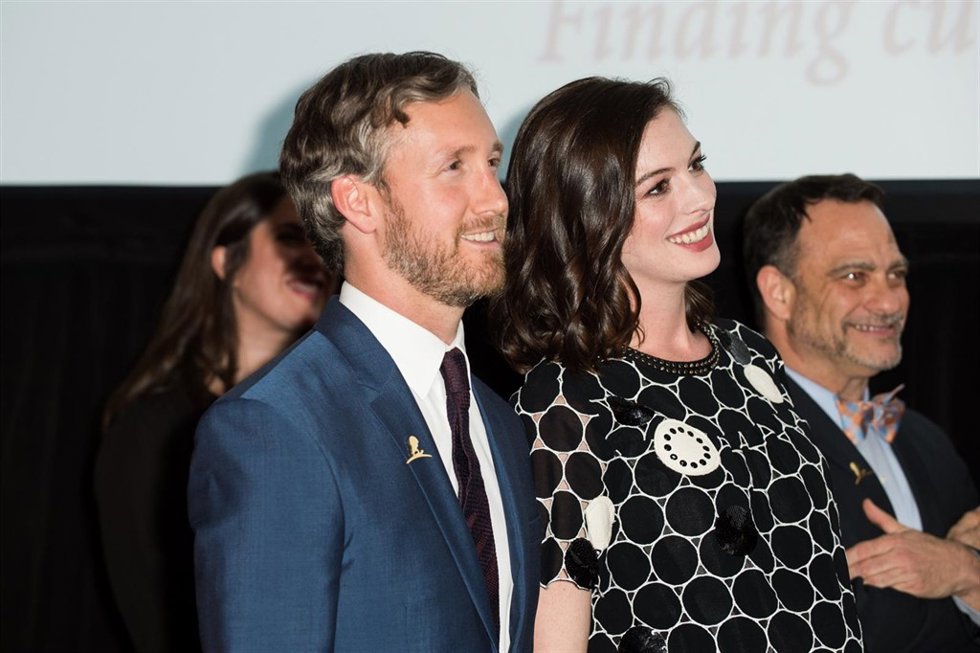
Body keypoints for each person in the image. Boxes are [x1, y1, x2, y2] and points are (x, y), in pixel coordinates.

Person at [494, 76, 862, 652]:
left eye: (696, 165)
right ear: (589, 216)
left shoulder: (749, 355)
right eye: (659, 187)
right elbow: (557, 623)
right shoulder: (566, 396)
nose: (699, 197)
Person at [187, 52, 540, 652]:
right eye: (453, 167)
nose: (495, 199)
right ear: (358, 201)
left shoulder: (500, 421)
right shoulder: (277, 426)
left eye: (490, 163)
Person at [94, 170, 332, 652]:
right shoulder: (152, 429)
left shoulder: (334, 411)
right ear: (226, 260)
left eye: (325, 244)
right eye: (290, 237)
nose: (314, 259)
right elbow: (152, 605)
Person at [742, 173, 980, 652]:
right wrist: (962, 573)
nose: (890, 301)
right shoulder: (744, 440)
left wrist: (963, 570)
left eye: (896, 274)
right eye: (854, 276)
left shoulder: (927, 442)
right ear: (779, 292)